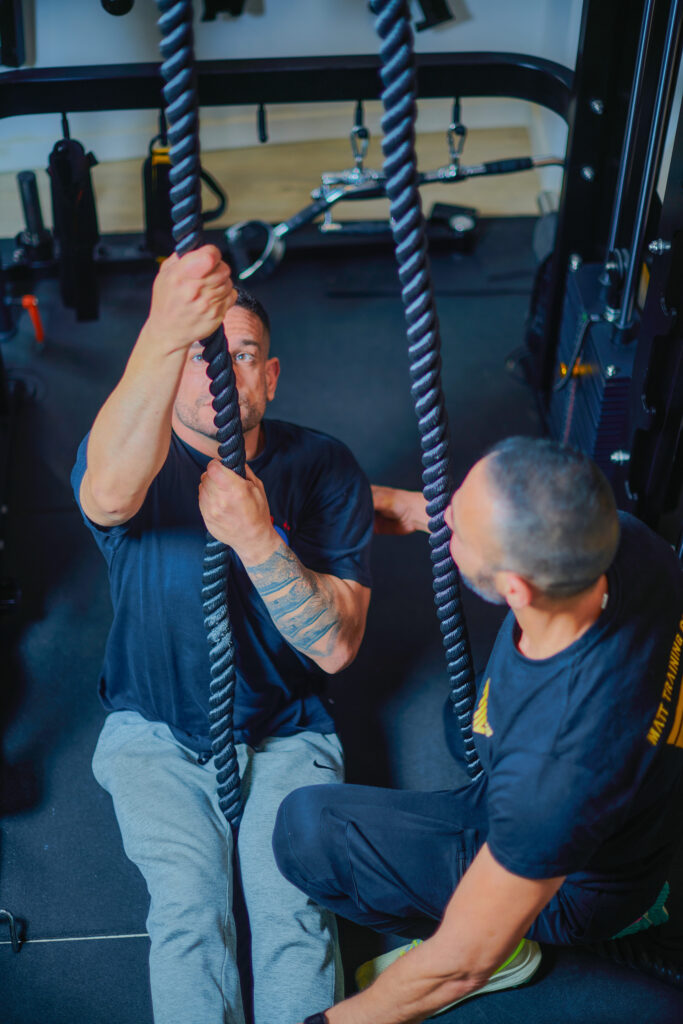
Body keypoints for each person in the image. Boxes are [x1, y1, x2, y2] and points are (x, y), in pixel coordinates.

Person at [273, 437, 683, 1024]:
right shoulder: (624, 542)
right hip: (628, 804)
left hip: (575, 885)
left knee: (306, 832)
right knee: (462, 725)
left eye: (457, 530)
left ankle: (515, 949)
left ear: (516, 588)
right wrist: (370, 504)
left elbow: (460, 962)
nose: (443, 522)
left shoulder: (553, 768)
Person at [71, 245, 373, 1024]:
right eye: (198, 355)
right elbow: (106, 494)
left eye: (238, 356)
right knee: (188, 915)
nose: (217, 373)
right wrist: (166, 329)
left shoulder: (325, 467)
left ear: (268, 377)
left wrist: (257, 540)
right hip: (156, 735)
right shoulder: (128, 456)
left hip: (284, 734)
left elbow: (335, 648)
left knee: (295, 921)